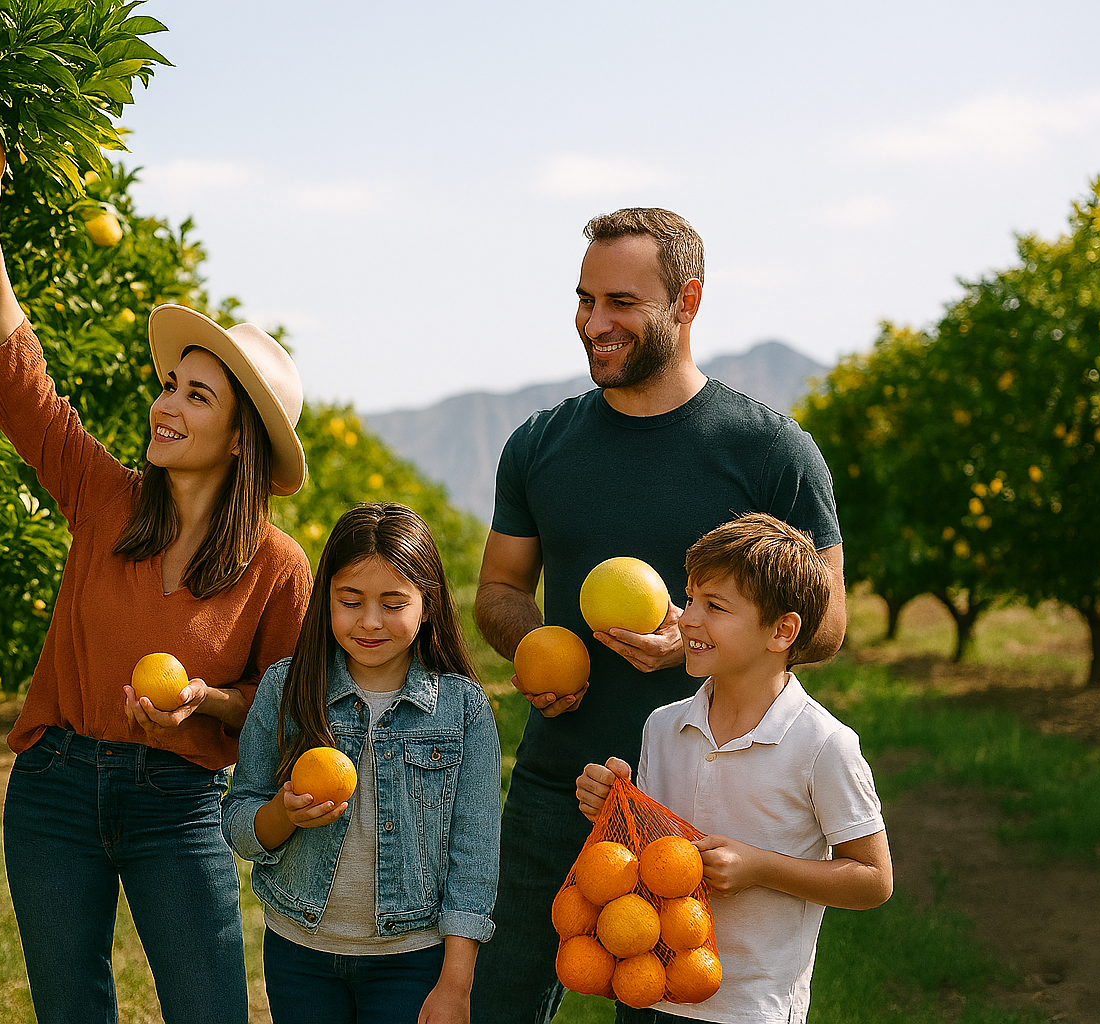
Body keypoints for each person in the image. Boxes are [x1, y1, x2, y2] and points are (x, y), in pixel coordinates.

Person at [0, 171, 313, 1024]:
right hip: (55, 788)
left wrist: (204, 702)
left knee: (209, 1007)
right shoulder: (107, 498)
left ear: (239, 435)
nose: (164, 404)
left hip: (176, 805)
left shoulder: (277, 566)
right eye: (169, 385)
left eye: (195, 394)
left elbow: (285, 707)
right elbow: (21, 388)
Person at [469, 208, 848, 1024]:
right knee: (498, 1004)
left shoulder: (772, 453)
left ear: (688, 301)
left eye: (621, 303)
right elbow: (498, 589)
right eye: (583, 300)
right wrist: (537, 648)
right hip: (556, 784)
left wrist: (696, 641)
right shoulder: (540, 446)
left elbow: (825, 625)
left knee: (661, 1009)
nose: (593, 324)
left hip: (694, 806)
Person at [575, 513, 892, 1023]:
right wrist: (615, 808)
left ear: (782, 631)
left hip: (752, 1007)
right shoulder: (663, 726)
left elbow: (874, 879)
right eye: (691, 598)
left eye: (715, 606)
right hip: (652, 986)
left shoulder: (822, 744)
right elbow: (654, 858)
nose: (687, 619)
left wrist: (760, 867)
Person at [221, 502, 502, 1024]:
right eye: (350, 601)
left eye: (393, 603)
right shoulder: (287, 690)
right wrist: (284, 814)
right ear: (325, 598)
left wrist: (456, 984)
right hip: (299, 952)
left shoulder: (462, 709)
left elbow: (476, 860)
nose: (369, 622)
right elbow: (239, 820)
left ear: (427, 604)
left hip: (411, 959)